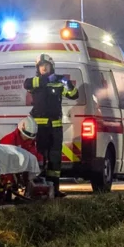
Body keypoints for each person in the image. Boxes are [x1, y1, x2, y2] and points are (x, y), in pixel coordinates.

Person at [24, 55, 79, 196]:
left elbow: (74, 95)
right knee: (40, 157)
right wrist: (48, 79)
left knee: (55, 159)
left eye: (46, 65)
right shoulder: (35, 82)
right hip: (40, 128)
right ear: (37, 68)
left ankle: (54, 189)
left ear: (51, 67)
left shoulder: (59, 82)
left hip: (55, 127)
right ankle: (38, 188)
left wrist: (67, 83)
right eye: (41, 66)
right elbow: (27, 84)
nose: (44, 68)